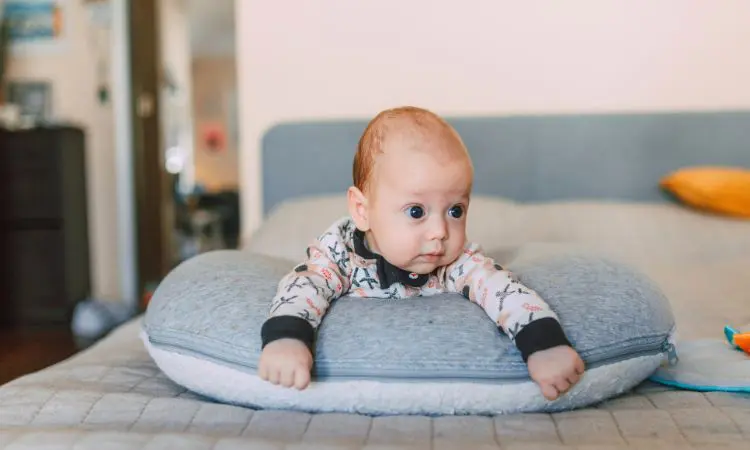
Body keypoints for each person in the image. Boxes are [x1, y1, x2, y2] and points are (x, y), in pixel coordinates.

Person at [258, 106, 584, 400]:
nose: (440, 231)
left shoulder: (458, 261)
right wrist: (287, 337)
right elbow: (305, 286)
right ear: (362, 210)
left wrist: (543, 344)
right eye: (416, 212)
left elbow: (502, 289)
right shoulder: (339, 255)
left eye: (455, 210)